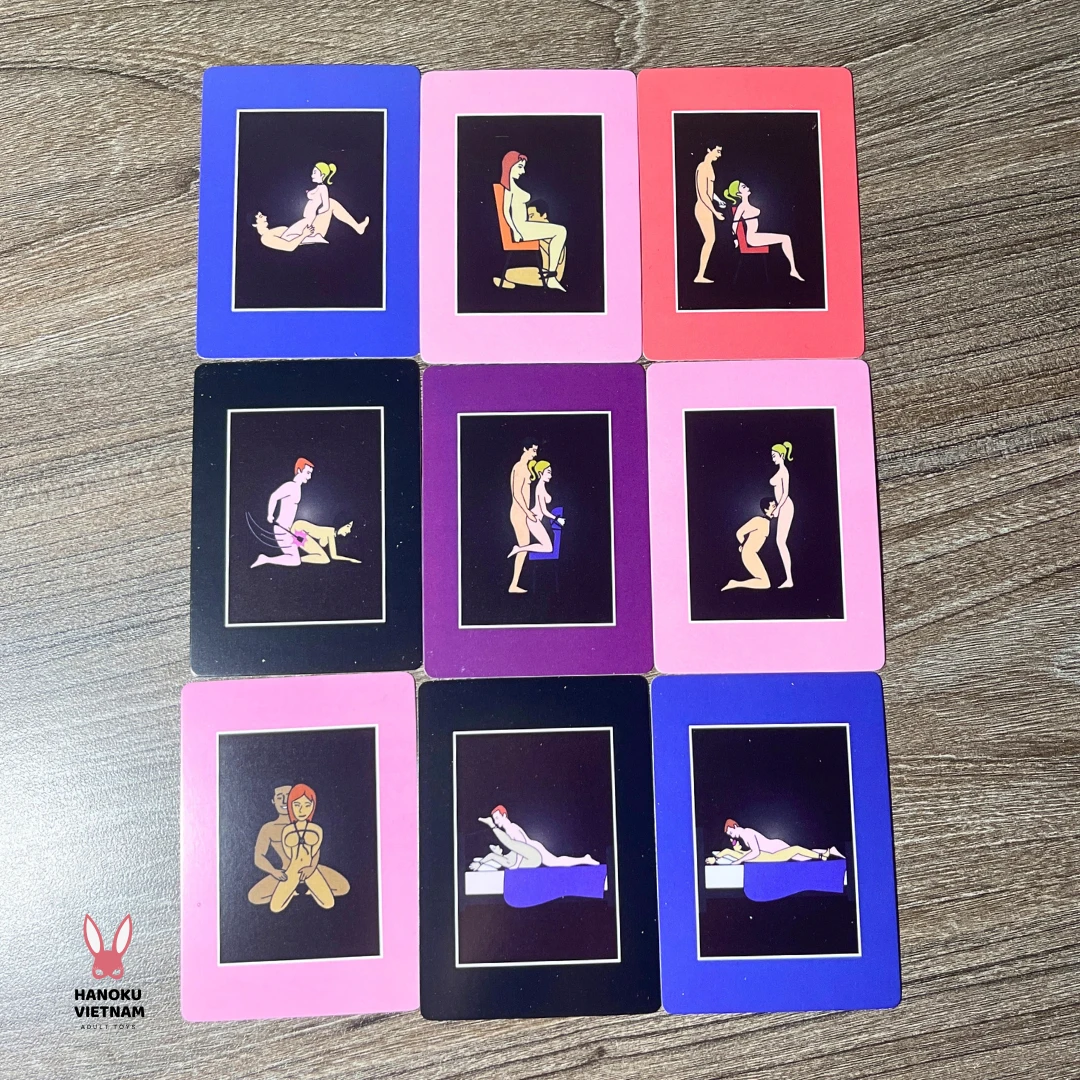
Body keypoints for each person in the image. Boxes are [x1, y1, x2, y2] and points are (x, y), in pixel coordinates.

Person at [247, 785, 350, 906]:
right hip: (286, 873)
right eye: (279, 797)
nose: (284, 801)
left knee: (343, 887)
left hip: (310, 869)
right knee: (254, 896)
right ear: (273, 800)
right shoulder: (268, 828)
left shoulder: (308, 825)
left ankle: (310, 890)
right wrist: (274, 872)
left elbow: (316, 852)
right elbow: (259, 857)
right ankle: (291, 892)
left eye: (288, 796)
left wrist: (311, 868)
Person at [253, 162, 370, 252]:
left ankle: (358, 227)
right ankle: (357, 227)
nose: (262, 215)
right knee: (331, 203)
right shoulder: (265, 238)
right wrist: (305, 234)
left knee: (330, 202)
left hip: (309, 228)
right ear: (254, 224)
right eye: (258, 216)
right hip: (310, 232)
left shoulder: (273, 231)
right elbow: (289, 247)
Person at [499, 152, 567, 291]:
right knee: (560, 231)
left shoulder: (513, 186)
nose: (523, 171)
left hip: (525, 226)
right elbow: (505, 211)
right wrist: (515, 231)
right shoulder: (508, 189)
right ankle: (551, 277)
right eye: (520, 167)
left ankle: (551, 276)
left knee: (560, 231)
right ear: (510, 166)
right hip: (522, 228)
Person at [470, 806, 599, 871]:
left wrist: (516, 865)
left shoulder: (510, 828)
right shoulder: (508, 828)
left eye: (497, 818)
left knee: (556, 862)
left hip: (533, 849)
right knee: (556, 861)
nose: (496, 821)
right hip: (531, 849)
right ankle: (584, 859)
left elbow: (521, 845)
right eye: (494, 819)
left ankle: (584, 859)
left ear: (504, 815)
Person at [723, 180, 805, 280]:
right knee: (786, 238)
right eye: (743, 187)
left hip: (756, 235)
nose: (747, 187)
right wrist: (735, 239)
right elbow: (735, 222)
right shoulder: (742, 206)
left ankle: (792, 269)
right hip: (752, 238)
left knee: (786, 238)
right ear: (738, 194)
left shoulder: (747, 204)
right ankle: (793, 270)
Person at [251, 458, 314, 568]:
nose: (309, 477)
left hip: (288, 530)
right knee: (295, 560)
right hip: (282, 528)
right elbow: (274, 496)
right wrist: (270, 514)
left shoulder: (297, 487)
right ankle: (265, 559)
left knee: (297, 557)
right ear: (299, 470)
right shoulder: (291, 486)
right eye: (308, 473)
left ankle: (266, 559)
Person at [719, 818, 843, 864]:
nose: (732, 836)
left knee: (800, 855)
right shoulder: (744, 834)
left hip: (776, 849)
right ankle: (829, 851)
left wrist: (739, 860)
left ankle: (823, 855)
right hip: (775, 849)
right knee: (801, 857)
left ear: (734, 826)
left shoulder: (746, 833)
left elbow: (756, 852)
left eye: (731, 832)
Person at [507, 459, 564, 558]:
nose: (550, 476)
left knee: (548, 547)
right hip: (533, 519)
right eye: (548, 472)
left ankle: (519, 549)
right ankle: (519, 549)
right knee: (548, 548)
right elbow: (544, 511)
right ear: (541, 473)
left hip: (535, 519)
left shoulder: (542, 486)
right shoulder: (540, 488)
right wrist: (557, 519)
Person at [721, 498, 777, 591]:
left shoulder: (767, 523)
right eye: (773, 506)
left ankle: (735, 583)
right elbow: (739, 533)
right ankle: (735, 583)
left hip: (752, 553)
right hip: (749, 553)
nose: (776, 508)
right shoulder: (759, 520)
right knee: (766, 583)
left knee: (765, 583)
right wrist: (743, 544)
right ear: (766, 509)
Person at [508, 443, 539, 594]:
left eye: (536, 451)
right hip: (519, 513)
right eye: (533, 450)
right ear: (525, 449)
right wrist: (527, 512)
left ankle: (515, 584)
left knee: (525, 547)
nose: (535, 454)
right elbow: (517, 493)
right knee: (523, 547)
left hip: (523, 512)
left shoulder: (526, 468)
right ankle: (513, 585)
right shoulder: (519, 467)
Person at [693, 145, 725, 283]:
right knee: (710, 240)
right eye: (717, 151)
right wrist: (715, 212)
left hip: (707, 207)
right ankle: (699, 275)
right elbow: (703, 194)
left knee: (711, 240)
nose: (719, 155)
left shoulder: (709, 166)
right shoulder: (703, 167)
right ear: (708, 150)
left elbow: (709, 192)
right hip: (703, 208)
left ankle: (701, 274)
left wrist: (718, 200)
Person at [768, 442, 795, 588]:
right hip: (782, 507)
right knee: (780, 542)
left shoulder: (784, 471)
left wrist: (778, 508)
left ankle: (789, 579)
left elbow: (785, 493)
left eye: (774, 456)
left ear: (782, 455)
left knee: (780, 542)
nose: (773, 458)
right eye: (772, 456)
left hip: (786, 506)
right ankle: (788, 578)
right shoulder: (780, 470)